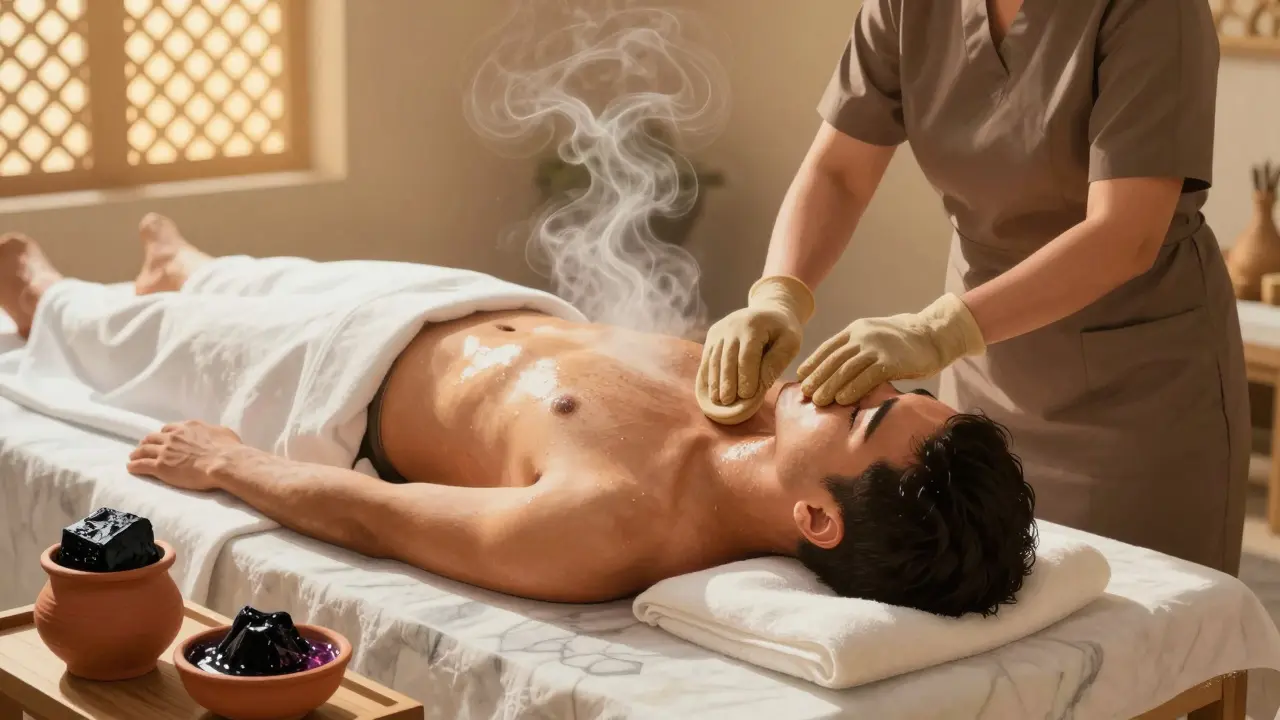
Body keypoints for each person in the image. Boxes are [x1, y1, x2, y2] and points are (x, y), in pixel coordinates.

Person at [0, 218, 1036, 615]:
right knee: (271, 272)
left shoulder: (612, 527)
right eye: (894, 392)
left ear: (817, 519)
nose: (862, 383)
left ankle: (47, 300)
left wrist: (230, 463)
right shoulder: (766, 403)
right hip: (461, 300)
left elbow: (380, 520)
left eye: (865, 419)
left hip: (334, 383)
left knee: (113, 333)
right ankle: (193, 270)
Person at [698, 0, 1249, 574]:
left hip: (1138, 392)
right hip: (984, 364)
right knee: (977, 594)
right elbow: (840, 169)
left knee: (1144, 623)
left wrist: (943, 329)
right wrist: (780, 294)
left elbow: (1125, 232)